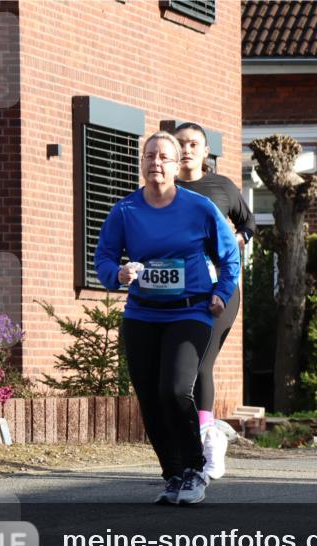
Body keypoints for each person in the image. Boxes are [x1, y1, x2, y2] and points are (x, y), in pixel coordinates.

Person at [94, 131, 240, 505]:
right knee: (149, 398)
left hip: (190, 311)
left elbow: (229, 258)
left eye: (164, 157)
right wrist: (119, 275)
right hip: (142, 314)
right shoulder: (125, 210)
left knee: (174, 390)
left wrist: (222, 294)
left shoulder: (199, 208)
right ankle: (172, 474)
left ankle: (194, 469)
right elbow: (104, 258)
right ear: (141, 163)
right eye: (149, 156)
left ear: (177, 166)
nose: (155, 162)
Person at [174, 122, 256, 478]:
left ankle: (207, 438)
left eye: (194, 144)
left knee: (201, 363)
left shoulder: (221, 186)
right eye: (181, 144)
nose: (187, 149)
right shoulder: (163, 190)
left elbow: (249, 223)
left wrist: (240, 237)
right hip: (177, 294)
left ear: (205, 152)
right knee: (177, 371)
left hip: (220, 289)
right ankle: (194, 440)